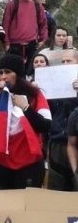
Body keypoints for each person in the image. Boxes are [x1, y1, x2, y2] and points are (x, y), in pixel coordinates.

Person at [0, 54, 51, 189]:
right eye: (0, 72)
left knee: (26, 206)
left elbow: (45, 125)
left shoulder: (35, 94)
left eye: (8, 72)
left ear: (18, 74)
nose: (3, 77)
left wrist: (26, 107)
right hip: (1, 160)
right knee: (6, 206)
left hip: (30, 160)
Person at [45, 49, 78, 191]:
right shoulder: (54, 81)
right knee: (57, 187)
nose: (65, 64)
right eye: (63, 61)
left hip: (76, 142)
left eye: (69, 61)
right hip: (58, 141)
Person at [2, 0, 48, 66]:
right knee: (15, 74)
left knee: (31, 73)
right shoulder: (12, 5)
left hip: (32, 46)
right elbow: (5, 25)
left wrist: (43, 40)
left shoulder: (38, 7)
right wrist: (6, 44)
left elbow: (43, 25)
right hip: (14, 46)